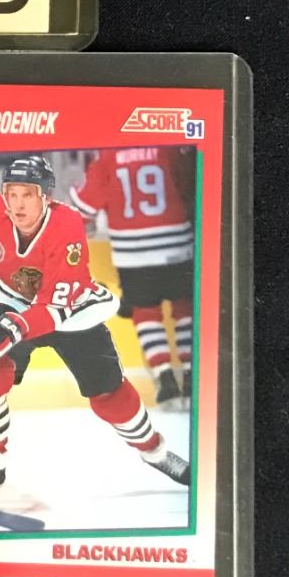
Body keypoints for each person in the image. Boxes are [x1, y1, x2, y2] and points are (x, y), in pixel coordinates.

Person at [0, 155, 191, 506]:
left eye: (27, 195)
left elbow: (54, 306)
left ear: (46, 196)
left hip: (70, 310)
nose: (17, 204)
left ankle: (154, 451)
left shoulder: (66, 224)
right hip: (12, 300)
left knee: (109, 396)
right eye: (11, 194)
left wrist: (8, 330)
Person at [69, 147, 198, 410]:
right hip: (177, 244)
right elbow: (191, 186)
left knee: (145, 313)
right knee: (185, 308)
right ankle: (190, 374)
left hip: (133, 254)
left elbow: (82, 207)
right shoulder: (167, 149)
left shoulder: (107, 156)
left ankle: (164, 377)